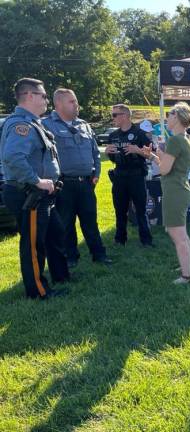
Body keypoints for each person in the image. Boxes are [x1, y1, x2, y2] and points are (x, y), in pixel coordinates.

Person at [0, 78, 69, 299]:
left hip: (43, 195)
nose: (46, 100)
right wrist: (37, 181)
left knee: (55, 234)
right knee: (33, 245)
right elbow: (13, 158)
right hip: (29, 193)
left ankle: (61, 276)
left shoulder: (33, 122)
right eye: (44, 95)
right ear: (29, 96)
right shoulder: (21, 125)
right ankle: (38, 291)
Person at [42, 88, 112, 267]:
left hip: (86, 183)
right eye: (71, 102)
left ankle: (99, 254)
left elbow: (96, 153)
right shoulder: (47, 125)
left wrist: (96, 174)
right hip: (64, 183)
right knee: (66, 223)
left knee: (90, 221)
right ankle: (71, 257)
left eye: (76, 101)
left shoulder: (84, 125)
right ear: (58, 104)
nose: (76, 105)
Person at [143, 102, 190, 284]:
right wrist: (153, 155)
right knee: (180, 233)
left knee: (177, 235)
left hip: (175, 192)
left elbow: (164, 170)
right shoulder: (185, 138)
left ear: (178, 117)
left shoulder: (175, 140)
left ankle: (186, 276)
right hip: (181, 189)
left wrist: (156, 155)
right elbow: (168, 164)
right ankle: (185, 265)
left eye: (171, 113)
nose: (167, 116)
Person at [104, 104, 153, 247]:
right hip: (119, 176)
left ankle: (146, 241)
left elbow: (152, 154)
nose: (112, 118)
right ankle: (120, 239)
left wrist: (137, 150)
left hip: (136, 176)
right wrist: (108, 153)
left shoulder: (140, 133)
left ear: (124, 116)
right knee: (120, 209)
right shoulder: (113, 136)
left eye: (115, 115)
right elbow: (113, 159)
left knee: (141, 210)